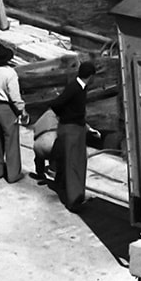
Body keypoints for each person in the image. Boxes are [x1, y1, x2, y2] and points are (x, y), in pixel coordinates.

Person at [50, 59, 96, 211]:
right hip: (72, 129)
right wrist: (66, 116)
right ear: (90, 76)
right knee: (73, 164)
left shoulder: (78, 87)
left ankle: (74, 194)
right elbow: (56, 103)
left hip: (74, 128)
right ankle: (73, 200)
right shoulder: (75, 88)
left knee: (75, 163)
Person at [0, 43, 26, 182]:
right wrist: (21, 110)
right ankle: (13, 174)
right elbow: (14, 96)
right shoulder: (10, 73)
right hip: (6, 108)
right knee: (11, 141)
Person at [31, 107, 60, 183]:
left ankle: (40, 173)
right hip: (51, 145)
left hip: (37, 146)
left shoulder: (41, 118)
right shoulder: (58, 115)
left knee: (38, 158)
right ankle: (54, 172)